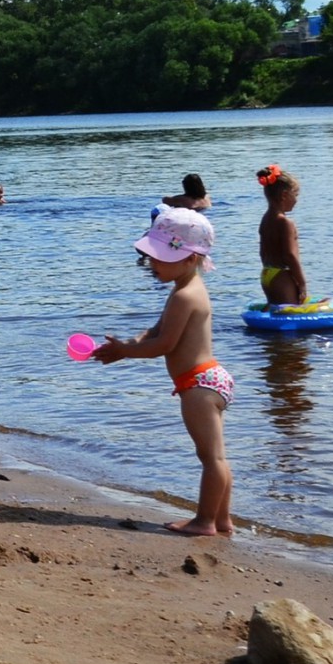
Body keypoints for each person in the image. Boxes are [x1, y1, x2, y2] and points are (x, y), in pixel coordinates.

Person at [91, 207, 233, 536]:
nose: (151, 264)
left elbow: (165, 345)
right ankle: (222, 519)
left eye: (159, 258)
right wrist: (133, 340)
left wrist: (125, 352)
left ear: (189, 258)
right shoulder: (185, 289)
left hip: (199, 386)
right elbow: (156, 331)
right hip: (207, 379)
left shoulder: (186, 295)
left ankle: (205, 521)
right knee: (216, 457)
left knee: (212, 459)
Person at [255, 165, 307, 306]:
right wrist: (302, 283)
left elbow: (262, 252)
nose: (296, 200)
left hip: (268, 273)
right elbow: (290, 255)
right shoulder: (285, 222)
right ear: (284, 195)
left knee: (276, 313)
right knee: (288, 318)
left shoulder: (265, 219)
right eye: (295, 195)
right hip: (282, 276)